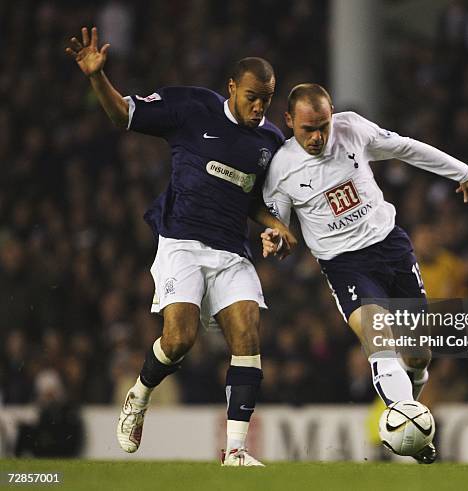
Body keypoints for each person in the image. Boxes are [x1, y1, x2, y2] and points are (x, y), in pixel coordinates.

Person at [66, 27, 296, 466]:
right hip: (182, 242)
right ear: (231, 87)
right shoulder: (191, 106)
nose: (260, 106)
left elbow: (253, 199)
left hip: (231, 251)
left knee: (248, 333)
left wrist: (275, 227)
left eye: (267, 98)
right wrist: (97, 77)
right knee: (178, 339)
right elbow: (123, 116)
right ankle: (139, 394)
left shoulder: (269, 141)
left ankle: (235, 452)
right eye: (252, 96)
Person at [261, 84, 468, 463]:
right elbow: (279, 223)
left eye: (323, 125)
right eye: (308, 129)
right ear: (289, 121)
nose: (318, 136)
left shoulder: (352, 129)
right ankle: (412, 431)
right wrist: (275, 238)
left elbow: (406, 147)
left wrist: (461, 172)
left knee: (418, 355)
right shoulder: (281, 169)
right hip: (345, 264)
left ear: (333, 113)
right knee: (379, 338)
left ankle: (409, 416)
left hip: (392, 250)